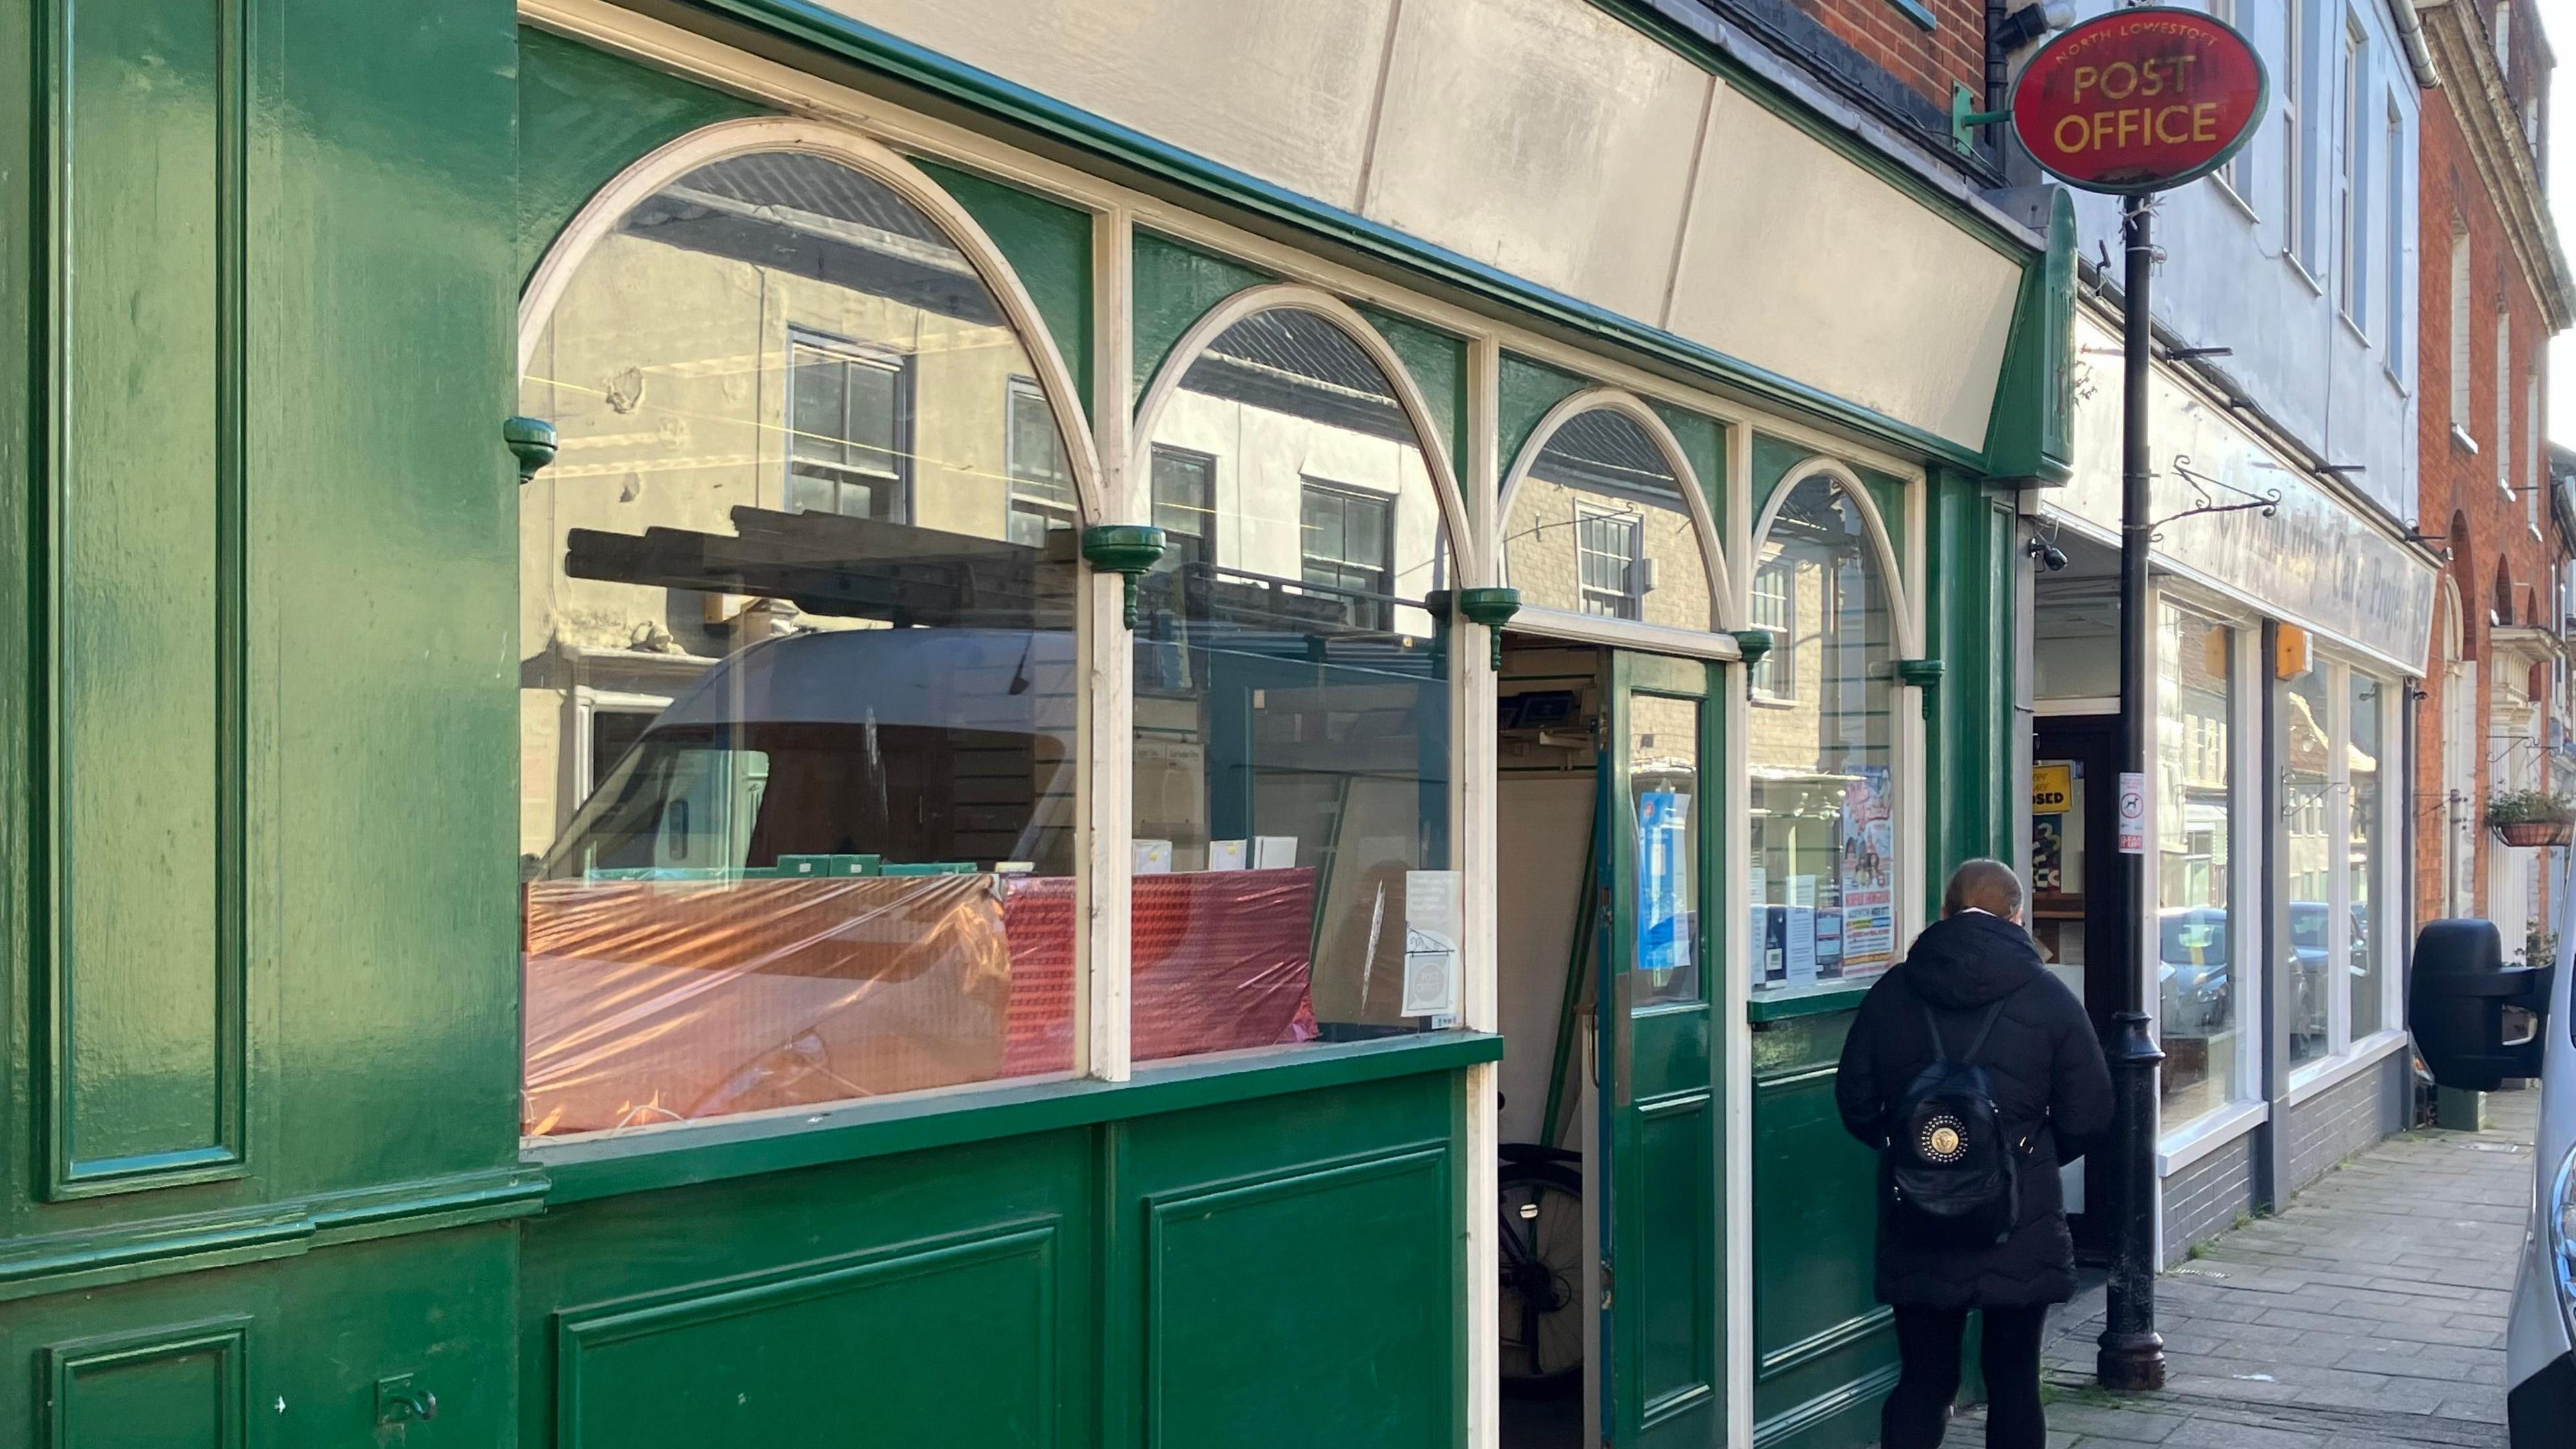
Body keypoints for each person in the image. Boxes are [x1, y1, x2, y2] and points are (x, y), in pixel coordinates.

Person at [1834, 859, 2112, 1449]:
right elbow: (2091, 1112)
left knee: (1923, 1378)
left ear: (1944, 912)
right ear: (2018, 916)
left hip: (1918, 1215)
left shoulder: (1893, 992)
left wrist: (1916, 1155)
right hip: (2020, 1220)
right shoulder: (2048, 996)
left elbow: (1854, 1100)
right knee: (2013, 1381)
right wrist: (2022, 1158)